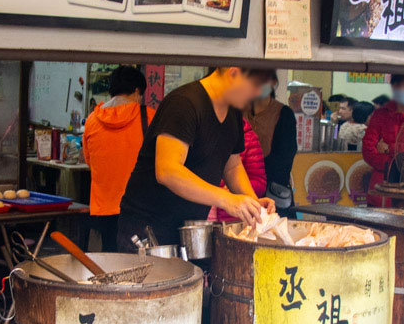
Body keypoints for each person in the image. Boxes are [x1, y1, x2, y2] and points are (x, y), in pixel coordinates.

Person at [118, 67, 276, 250]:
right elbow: (167, 171)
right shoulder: (184, 103)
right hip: (148, 229)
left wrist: (252, 203)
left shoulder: (233, 113)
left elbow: (232, 166)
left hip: (187, 230)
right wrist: (227, 199)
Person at [82, 66, 154, 252]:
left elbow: (90, 162)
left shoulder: (92, 121)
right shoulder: (148, 117)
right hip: (138, 207)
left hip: (104, 209)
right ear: (137, 91)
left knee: (110, 261)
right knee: (138, 265)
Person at [362, 74, 404, 201]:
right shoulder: (380, 114)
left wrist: (388, 150)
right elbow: (368, 151)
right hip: (380, 190)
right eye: (397, 85)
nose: (402, 89)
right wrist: (397, 164)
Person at [243, 70, 298, 213]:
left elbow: (284, 160)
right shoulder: (237, 112)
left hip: (273, 196)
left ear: (273, 83)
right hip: (240, 194)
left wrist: (253, 179)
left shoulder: (283, 114)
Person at [213, 119, 267, 222]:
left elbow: (232, 168)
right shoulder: (197, 121)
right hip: (197, 212)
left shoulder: (245, 133)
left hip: (230, 216)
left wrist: (254, 201)